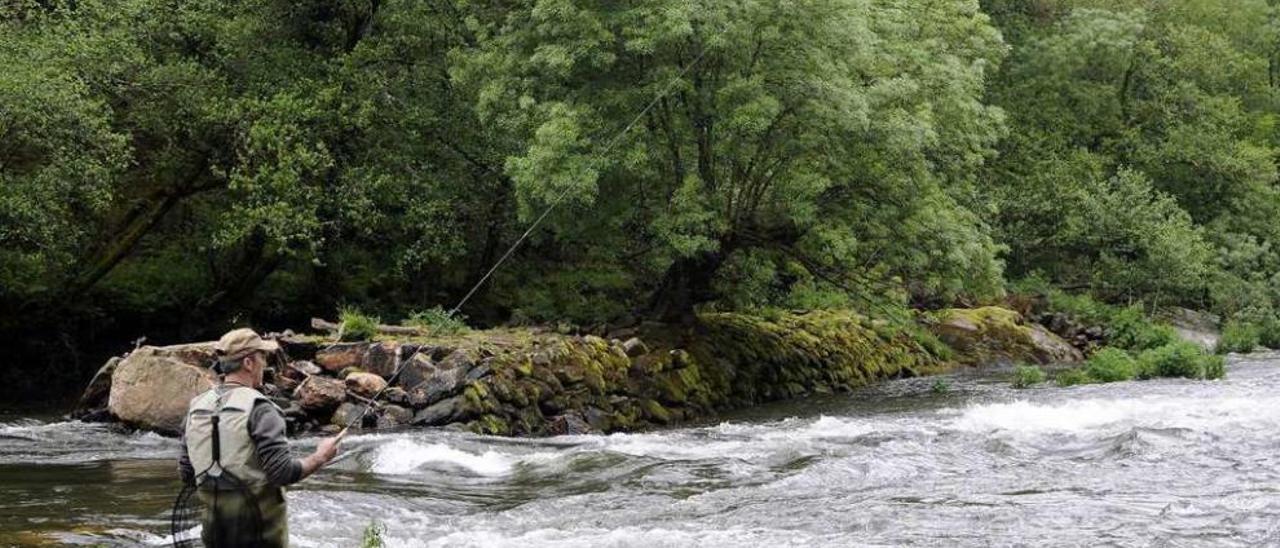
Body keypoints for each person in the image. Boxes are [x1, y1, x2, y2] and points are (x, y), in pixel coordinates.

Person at [178, 328, 343, 547]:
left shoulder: (195, 407)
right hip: (260, 534)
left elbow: (188, 474)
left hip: (214, 533)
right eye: (262, 357)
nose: (265, 364)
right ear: (248, 363)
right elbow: (282, 473)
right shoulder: (261, 408)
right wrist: (320, 457)